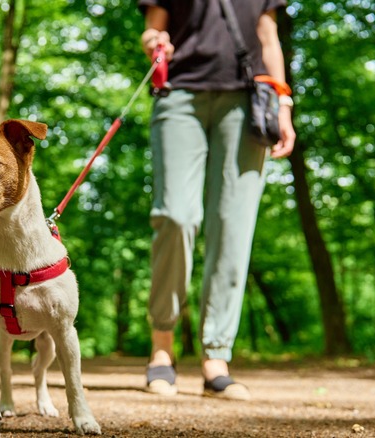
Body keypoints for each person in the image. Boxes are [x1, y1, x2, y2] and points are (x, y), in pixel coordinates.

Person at [137, 0, 296, 399]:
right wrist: (155, 41)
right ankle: (162, 346)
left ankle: (216, 358)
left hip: (247, 99)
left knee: (233, 225)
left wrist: (285, 104)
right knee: (175, 215)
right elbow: (153, 27)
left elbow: (268, 37)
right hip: (179, 95)